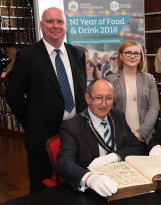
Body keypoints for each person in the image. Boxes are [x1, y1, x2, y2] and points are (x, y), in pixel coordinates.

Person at [5, 7, 87, 193]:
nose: (55, 26)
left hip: (76, 131)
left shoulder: (78, 54)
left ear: (66, 26)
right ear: (42, 26)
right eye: (50, 21)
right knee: (41, 188)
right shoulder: (27, 56)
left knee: (76, 183)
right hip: (41, 136)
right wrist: (32, 122)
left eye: (60, 22)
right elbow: (13, 96)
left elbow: (81, 92)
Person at [56, 78, 146, 197]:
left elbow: (138, 147)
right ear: (88, 99)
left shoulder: (118, 117)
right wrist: (90, 178)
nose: (104, 104)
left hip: (122, 184)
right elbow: (64, 163)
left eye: (108, 98)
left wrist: (116, 156)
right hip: (91, 190)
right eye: (98, 98)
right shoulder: (72, 126)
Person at [106, 40, 160, 143]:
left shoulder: (149, 79)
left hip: (146, 137)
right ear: (121, 56)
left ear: (141, 57)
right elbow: (109, 110)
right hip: (119, 136)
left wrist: (141, 133)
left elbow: (154, 107)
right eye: (128, 53)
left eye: (136, 53)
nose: (132, 56)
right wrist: (122, 133)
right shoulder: (110, 80)